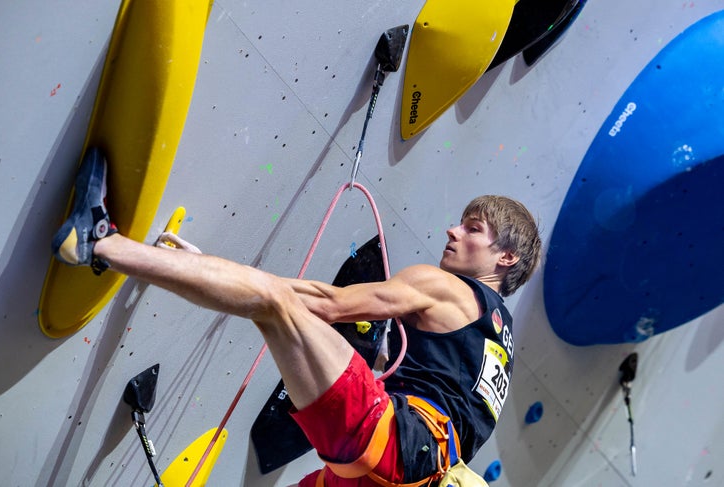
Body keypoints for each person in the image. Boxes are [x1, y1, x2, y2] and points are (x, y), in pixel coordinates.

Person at [52, 148, 542, 486]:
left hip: (395, 440)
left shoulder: (447, 288)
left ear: (505, 259)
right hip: (402, 475)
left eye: (472, 229)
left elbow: (328, 305)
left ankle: (97, 241)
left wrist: (215, 271)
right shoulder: (500, 342)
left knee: (272, 303)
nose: (453, 231)